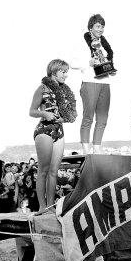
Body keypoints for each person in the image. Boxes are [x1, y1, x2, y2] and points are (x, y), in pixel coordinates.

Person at [29, 59, 77, 212]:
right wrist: (44, 113)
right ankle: (42, 206)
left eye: (66, 72)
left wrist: (65, 118)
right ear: (54, 71)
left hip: (59, 131)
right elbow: (32, 111)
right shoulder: (42, 88)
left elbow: (71, 113)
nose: (66, 75)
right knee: (43, 170)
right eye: (63, 72)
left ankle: (50, 205)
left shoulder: (65, 91)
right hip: (44, 130)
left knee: (54, 171)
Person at [70, 14, 116, 154]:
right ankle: (85, 148)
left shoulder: (105, 44)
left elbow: (106, 60)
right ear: (90, 28)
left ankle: (97, 147)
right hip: (89, 82)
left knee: (103, 118)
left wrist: (111, 69)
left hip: (105, 82)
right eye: (97, 26)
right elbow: (73, 63)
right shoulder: (82, 42)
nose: (100, 29)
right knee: (88, 117)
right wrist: (88, 63)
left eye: (102, 27)